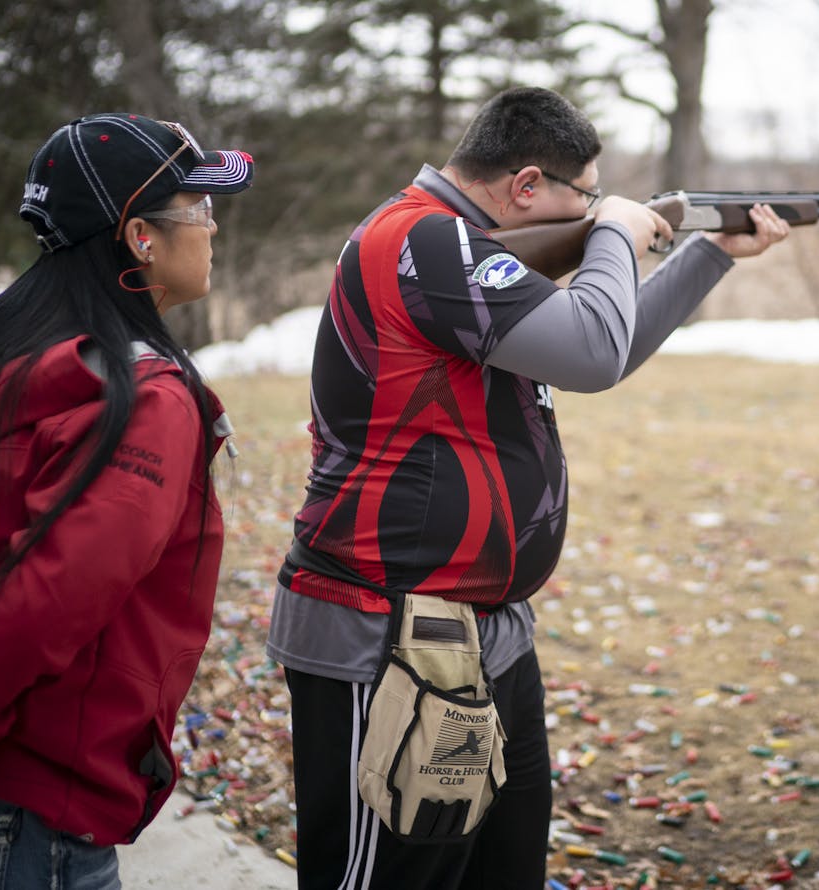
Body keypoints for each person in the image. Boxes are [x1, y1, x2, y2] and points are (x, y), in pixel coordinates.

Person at [264, 86, 788, 889]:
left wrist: (709, 254)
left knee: (497, 870)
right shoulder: (428, 242)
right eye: (582, 194)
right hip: (391, 635)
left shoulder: (465, 248)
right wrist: (613, 229)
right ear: (527, 187)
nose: (589, 209)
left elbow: (596, 347)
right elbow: (591, 352)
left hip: (483, 631)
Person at [0, 112, 254, 888]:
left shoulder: (5, 351)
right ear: (139, 236)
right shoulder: (143, 401)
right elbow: (38, 606)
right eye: (198, 205)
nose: (213, 225)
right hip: (12, 824)